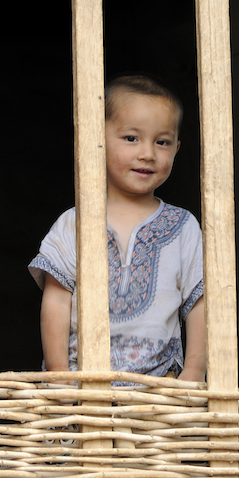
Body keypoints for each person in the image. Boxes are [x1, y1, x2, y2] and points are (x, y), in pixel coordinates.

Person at [28, 73, 206, 382]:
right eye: (131, 138)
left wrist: (194, 371)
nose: (148, 153)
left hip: (160, 389)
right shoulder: (74, 223)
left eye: (162, 142)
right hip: (84, 387)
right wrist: (60, 379)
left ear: (177, 148)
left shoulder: (183, 227)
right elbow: (56, 301)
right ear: (97, 138)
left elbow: (200, 303)